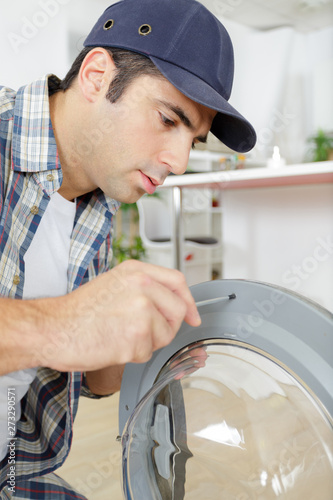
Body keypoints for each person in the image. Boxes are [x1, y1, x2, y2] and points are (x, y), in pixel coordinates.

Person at [0, 0, 256, 497]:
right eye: (167, 120)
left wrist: (144, 345)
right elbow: (63, 330)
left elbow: (91, 378)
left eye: (194, 140)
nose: (179, 162)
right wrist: (64, 323)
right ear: (96, 76)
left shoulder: (98, 200)